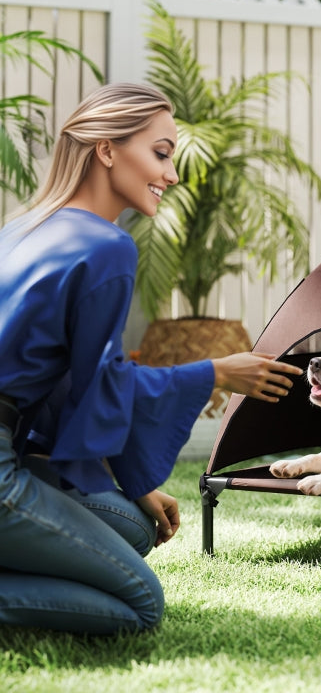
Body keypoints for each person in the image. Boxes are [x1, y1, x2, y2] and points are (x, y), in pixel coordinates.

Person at [0, 82, 303, 635]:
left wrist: (136, 480)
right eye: (161, 154)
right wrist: (216, 371)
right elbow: (103, 383)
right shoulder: (107, 245)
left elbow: (65, 383)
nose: (172, 174)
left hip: (12, 443)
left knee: (135, 526)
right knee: (141, 605)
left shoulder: (21, 229)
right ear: (107, 150)